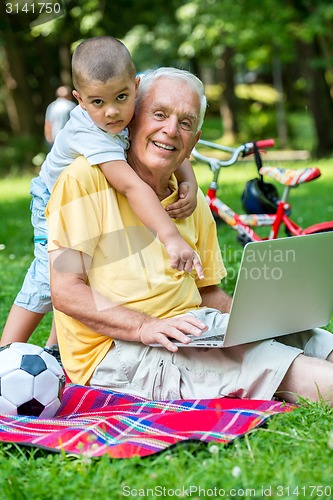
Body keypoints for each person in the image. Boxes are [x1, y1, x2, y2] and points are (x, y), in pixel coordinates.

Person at [47, 67, 333, 405]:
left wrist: (255, 321)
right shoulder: (84, 180)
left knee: (313, 340)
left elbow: (206, 291)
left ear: (194, 141)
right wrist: (143, 327)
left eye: (185, 123)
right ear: (132, 119)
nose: (170, 130)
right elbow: (65, 291)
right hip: (117, 350)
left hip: (192, 327)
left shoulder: (189, 198)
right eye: (159, 114)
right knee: (276, 366)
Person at [0, 37, 202, 360]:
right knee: (48, 276)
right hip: (52, 199)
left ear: (135, 86)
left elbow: (175, 150)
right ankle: (5, 355)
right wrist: (171, 238)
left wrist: (188, 182)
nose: (111, 112)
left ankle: (55, 348)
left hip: (91, 202)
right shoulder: (91, 133)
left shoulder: (128, 111)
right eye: (97, 102)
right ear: (80, 101)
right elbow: (131, 186)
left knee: (88, 268)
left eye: (121, 97)